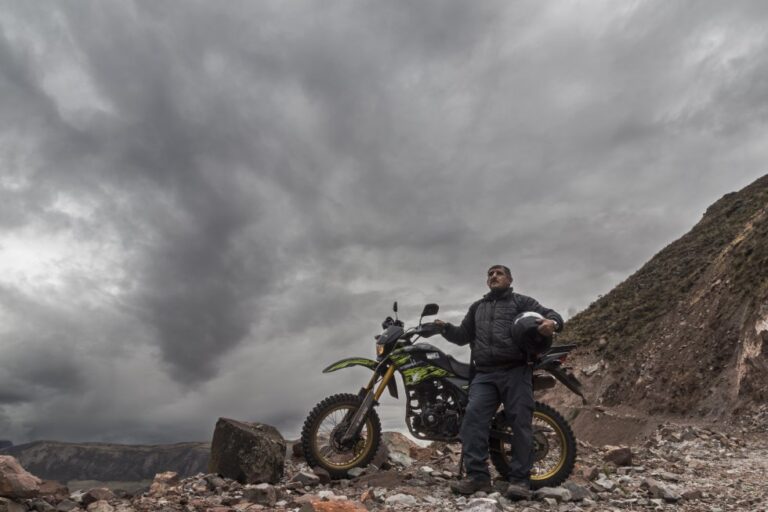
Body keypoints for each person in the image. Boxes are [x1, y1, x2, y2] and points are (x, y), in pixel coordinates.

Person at [434, 264, 563, 499]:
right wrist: (445, 328)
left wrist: (552, 324)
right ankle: (478, 478)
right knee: (473, 419)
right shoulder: (477, 308)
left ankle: (520, 481)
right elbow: (462, 336)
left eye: (499, 273)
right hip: (484, 374)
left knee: (520, 423)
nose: (494, 276)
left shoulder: (521, 302)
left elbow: (552, 315)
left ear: (509, 279)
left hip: (516, 370)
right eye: (490, 274)